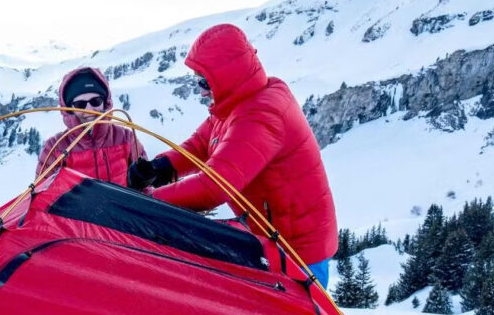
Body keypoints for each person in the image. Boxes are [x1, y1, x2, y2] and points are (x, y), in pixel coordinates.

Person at [129, 24, 338, 285]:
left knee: (298, 312)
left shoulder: (262, 114)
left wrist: (148, 201)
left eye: (205, 81)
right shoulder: (237, 102)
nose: (202, 91)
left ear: (227, 76)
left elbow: (214, 187)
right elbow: (200, 144)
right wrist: (160, 167)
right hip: (273, 241)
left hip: (298, 251)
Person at [35, 67, 144, 185]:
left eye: (95, 101)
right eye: (80, 104)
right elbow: (42, 192)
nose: (89, 110)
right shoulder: (55, 148)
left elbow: (146, 187)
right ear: (69, 109)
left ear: (105, 103)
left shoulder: (126, 138)